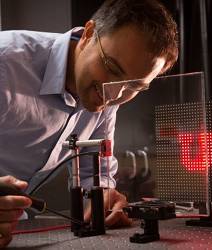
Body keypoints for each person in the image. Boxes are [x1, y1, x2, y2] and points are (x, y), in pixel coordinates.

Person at [0, 0, 178, 247]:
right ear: (88, 34)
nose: (113, 95)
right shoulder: (5, 64)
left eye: (134, 86)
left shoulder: (107, 95)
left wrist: (102, 195)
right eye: (112, 69)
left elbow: (94, 172)